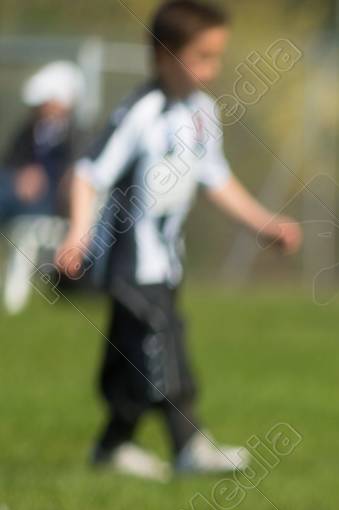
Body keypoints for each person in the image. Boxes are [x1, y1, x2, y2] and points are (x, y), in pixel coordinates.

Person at [54, 0, 301, 483]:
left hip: (166, 262)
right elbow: (88, 175)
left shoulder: (204, 114)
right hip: (129, 260)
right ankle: (189, 445)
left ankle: (112, 445)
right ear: (165, 57)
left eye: (218, 56)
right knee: (162, 341)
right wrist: (78, 234)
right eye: (203, 56)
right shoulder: (141, 112)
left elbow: (216, 179)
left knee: (132, 352)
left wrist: (263, 223)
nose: (214, 68)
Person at [1, 62, 82, 223]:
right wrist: (23, 174)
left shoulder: (77, 136)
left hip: (51, 200)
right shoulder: (29, 129)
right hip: (18, 193)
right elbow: (11, 160)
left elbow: (77, 171)